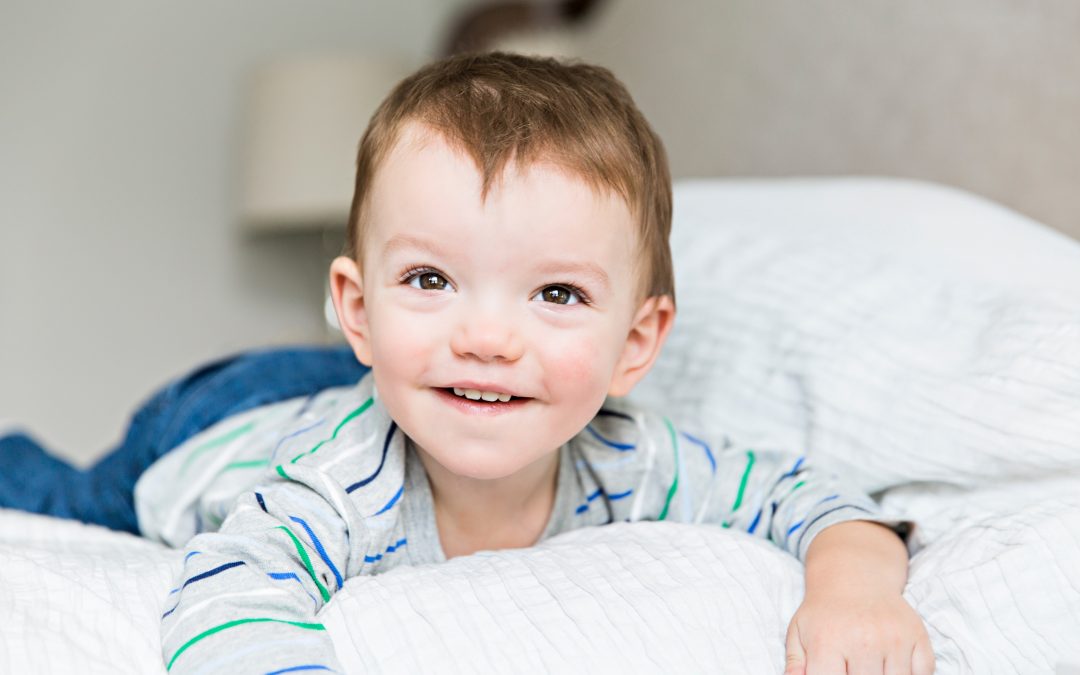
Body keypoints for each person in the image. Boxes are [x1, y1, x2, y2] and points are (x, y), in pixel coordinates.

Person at [153, 52, 935, 675]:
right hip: (212, 416)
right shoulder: (339, 486)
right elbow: (228, 598)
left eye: (556, 292)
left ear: (635, 344)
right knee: (58, 488)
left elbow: (807, 497)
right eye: (432, 279)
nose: (488, 338)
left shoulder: (632, 461)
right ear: (357, 309)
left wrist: (854, 590)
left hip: (391, 379)